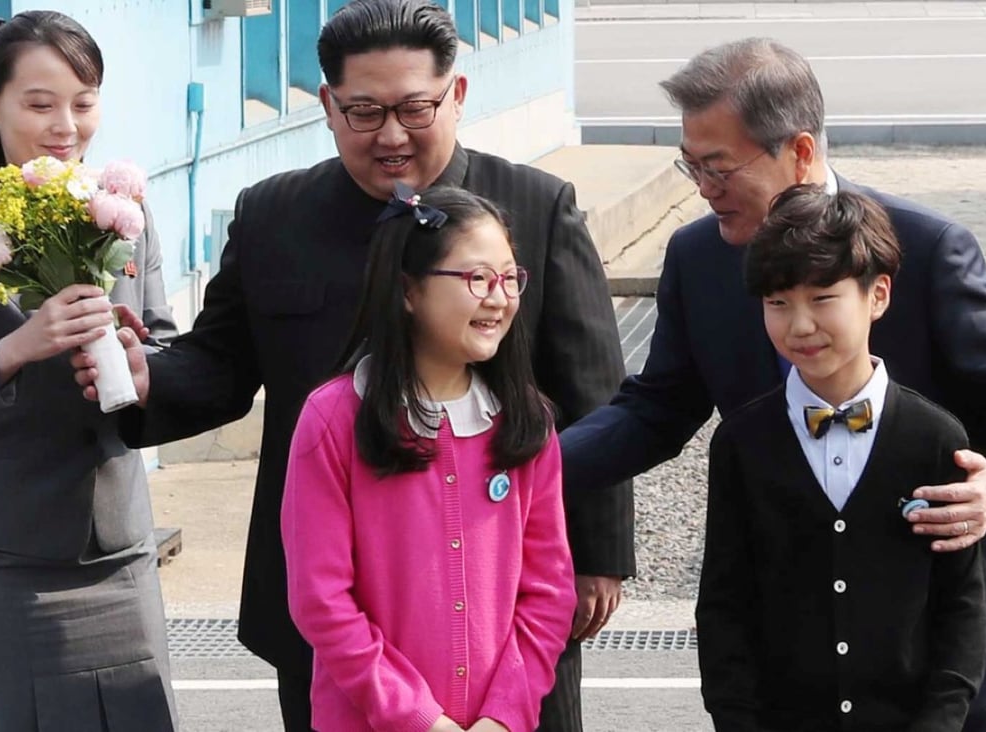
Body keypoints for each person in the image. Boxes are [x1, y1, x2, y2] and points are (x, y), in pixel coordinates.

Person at [74, 1, 633, 728]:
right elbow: (221, 360)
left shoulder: (531, 207)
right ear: (328, 106)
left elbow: (590, 389)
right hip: (332, 620)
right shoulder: (274, 216)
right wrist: (152, 376)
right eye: (365, 111)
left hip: (500, 621)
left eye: (414, 108)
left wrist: (598, 551)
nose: (392, 134)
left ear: (456, 96)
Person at [559, 37, 986, 730]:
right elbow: (657, 407)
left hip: (947, 661)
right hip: (798, 673)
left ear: (800, 154)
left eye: (719, 166)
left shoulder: (927, 249)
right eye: (691, 166)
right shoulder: (696, 257)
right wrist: (532, 467)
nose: (704, 188)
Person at [0, 11, 178, 731]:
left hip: (118, 551)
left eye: (83, 101)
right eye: (40, 104)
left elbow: (165, 345)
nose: (66, 124)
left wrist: (143, 363)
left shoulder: (124, 215)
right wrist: (20, 345)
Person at [283, 185, 575, 732]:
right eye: (477, 278)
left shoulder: (525, 422)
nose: (499, 297)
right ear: (408, 290)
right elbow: (321, 600)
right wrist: (419, 718)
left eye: (510, 277)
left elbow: (549, 591)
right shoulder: (333, 419)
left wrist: (505, 713)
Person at [699, 183, 986, 731]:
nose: (799, 325)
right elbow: (724, 606)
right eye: (777, 304)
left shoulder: (935, 437)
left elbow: (962, 609)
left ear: (877, 295)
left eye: (823, 298)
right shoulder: (742, 442)